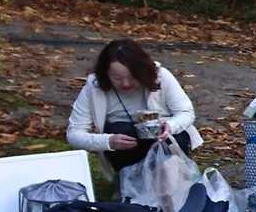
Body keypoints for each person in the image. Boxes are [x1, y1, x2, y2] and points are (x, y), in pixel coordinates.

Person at [65, 39, 201, 172]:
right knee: (119, 129)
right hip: (125, 145)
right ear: (105, 74)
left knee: (175, 137)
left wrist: (171, 126)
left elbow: (186, 113)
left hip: (162, 137)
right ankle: (129, 179)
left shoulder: (161, 76)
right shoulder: (95, 86)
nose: (126, 84)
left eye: (132, 77)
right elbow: (74, 134)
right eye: (117, 78)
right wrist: (108, 141)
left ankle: (172, 179)